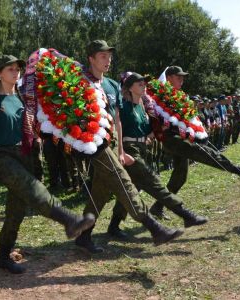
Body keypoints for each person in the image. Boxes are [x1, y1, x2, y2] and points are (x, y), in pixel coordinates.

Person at [0, 54, 95, 274]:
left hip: (25, 155)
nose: (16, 72)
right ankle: (69, 219)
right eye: (10, 69)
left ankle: (3, 256)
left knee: (17, 209)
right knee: (34, 189)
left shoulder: (24, 99)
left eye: (17, 69)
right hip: (3, 157)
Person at [73, 40, 184, 253]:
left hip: (113, 145)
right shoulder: (81, 83)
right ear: (91, 59)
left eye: (109, 56)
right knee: (125, 184)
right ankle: (155, 227)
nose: (108, 60)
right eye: (103, 56)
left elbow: (117, 120)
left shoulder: (113, 85)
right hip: (96, 146)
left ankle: (84, 235)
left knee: (100, 193)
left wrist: (120, 149)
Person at [148, 66, 240, 219]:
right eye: (179, 77)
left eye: (183, 77)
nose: (182, 80)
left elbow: (188, 118)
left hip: (183, 137)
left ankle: (157, 207)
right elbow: (157, 115)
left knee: (180, 176)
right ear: (169, 78)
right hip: (172, 138)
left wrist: (195, 132)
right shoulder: (160, 95)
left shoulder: (179, 96)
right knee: (205, 154)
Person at [107, 72, 207, 237]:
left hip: (142, 148)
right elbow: (117, 128)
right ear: (130, 87)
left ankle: (113, 225)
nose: (144, 86)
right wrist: (121, 151)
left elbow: (149, 129)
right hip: (129, 149)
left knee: (133, 187)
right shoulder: (123, 106)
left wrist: (156, 132)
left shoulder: (143, 107)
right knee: (153, 182)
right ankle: (185, 215)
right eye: (139, 84)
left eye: (144, 83)